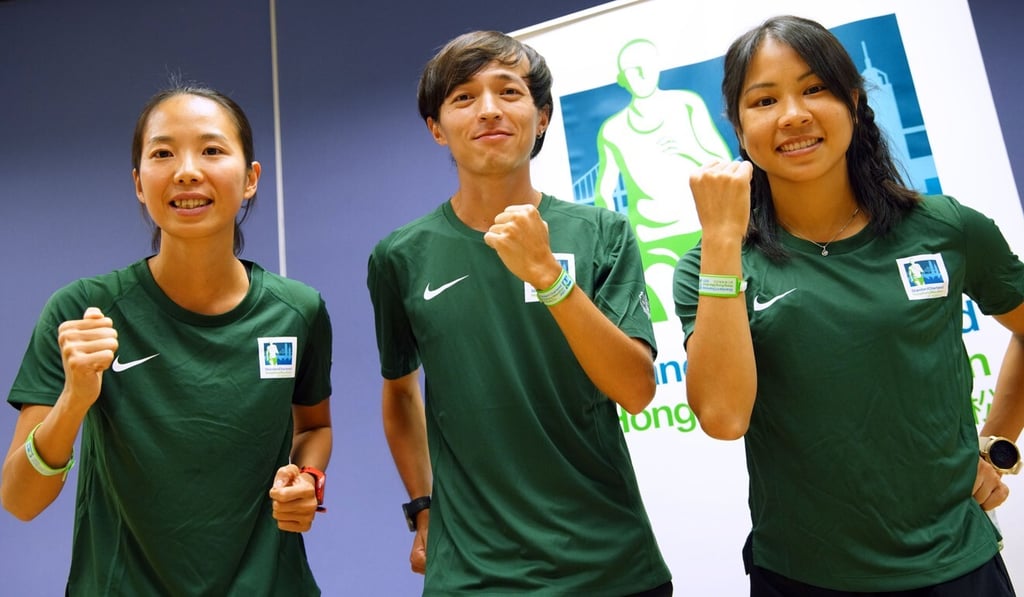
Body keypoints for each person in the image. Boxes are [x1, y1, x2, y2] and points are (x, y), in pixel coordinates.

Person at [673, 14, 1024, 595]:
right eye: (764, 100)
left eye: (815, 89)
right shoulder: (712, 263)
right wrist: (720, 243)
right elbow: (723, 416)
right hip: (800, 574)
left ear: (855, 103)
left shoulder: (944, 227)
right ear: (738, 126)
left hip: (954, 564)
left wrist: (998, 443)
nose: (793, 115)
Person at [367, 30, 672, 596]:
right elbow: (401, 393)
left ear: (543, 117)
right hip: (474, 576)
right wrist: (424, 510)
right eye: (462, 97)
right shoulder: (400, 257)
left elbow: (635, 389)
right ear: (436, 128)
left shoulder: (601, 232)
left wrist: (550, 278)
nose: (488, 110)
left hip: (610, 566)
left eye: (509, 92)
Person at [1, 85, 334, 596]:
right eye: (162, 153)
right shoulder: (82, 311)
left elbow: (314, 426)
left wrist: (307, 479)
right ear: (139, 183)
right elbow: (20, 500)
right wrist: (74, 401)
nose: (186, 170)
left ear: (250, 179)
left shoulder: (297, 310)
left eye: (212, 149)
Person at [594, 38, 733, 323]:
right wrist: (620, 242)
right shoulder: (613, 130)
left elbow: (724, 162)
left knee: (723, 316)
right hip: (650, 239)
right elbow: (604, 193)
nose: (642, 74)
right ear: (622, 77)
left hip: (704, 231)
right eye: (633, 69)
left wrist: (689, 149)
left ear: (657, 66)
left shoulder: (686, 105)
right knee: (673, 321)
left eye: (646, 65)